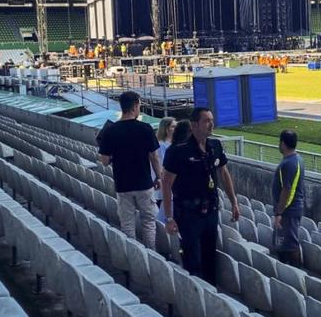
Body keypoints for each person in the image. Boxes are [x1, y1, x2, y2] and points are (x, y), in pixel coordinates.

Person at [162, 107, 240, 283]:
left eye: (212, 120)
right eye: (206, 121)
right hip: (188, 214)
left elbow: (224, 174)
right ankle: (195, 298)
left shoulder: (215, 146)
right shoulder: (179, 151)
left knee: (210, 257)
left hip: (210, 211)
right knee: (193, 260)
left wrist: (234, 201)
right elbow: (167, 184)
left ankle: (211, 297)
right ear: (194, 124)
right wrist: (168, 217)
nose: (211, 124)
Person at [98, 91, 162, 249]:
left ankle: (134, 257)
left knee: (127, 225)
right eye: (139, 104)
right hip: (144, 184)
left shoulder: (110, 130)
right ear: (135, 106)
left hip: (123, 185)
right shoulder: (145, 128)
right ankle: (151, 256)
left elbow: (105, 161)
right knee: (149, 223)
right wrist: (159, 177)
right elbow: (154, 156)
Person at [272, 130, 306, 266]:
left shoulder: (288, 164)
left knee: (290, 243)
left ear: (283, 144)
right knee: (285, 242)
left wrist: (279, 212)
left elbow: (287, 190)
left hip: (288, 211)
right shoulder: (297, 159)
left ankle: (297, 271)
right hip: (290, 209)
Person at [153, 117, 176, 220]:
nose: (176, 129)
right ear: (167, 129)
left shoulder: (173, 145)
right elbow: (162, 166)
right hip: (164, 187)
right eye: (173, 126)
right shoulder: (161, 145)